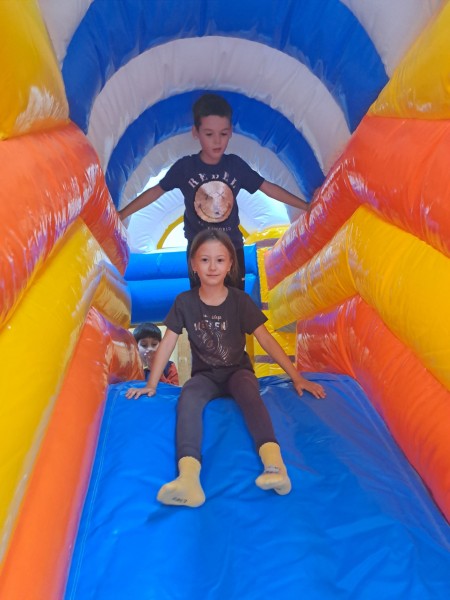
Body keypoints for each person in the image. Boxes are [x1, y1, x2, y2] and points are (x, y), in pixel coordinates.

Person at [126, 229, 326, 508]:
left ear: (230, 264)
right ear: (193, 265)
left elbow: (266, 339)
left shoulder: (239, 300)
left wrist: (296, 377)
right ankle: (188, 479)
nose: (212, 267)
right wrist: (151, 384)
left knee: (250, 394)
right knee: (188, 398)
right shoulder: (185, 302)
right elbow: (168, 342)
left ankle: (275, 467)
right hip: (205, 377)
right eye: (204, 260)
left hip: (237, 371)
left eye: (219, 260)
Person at [118, 93, 310, 289]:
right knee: (202, 303)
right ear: (196, 133)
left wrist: (304, 205)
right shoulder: (186, 168)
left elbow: (267, 187)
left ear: (231, 132)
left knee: (234, 303)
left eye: (223, 134)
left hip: (231, 249)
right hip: (200, 251)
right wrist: (123, 213)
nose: (217, 141)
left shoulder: (235, 166)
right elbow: (155, 192)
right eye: (209, 134)